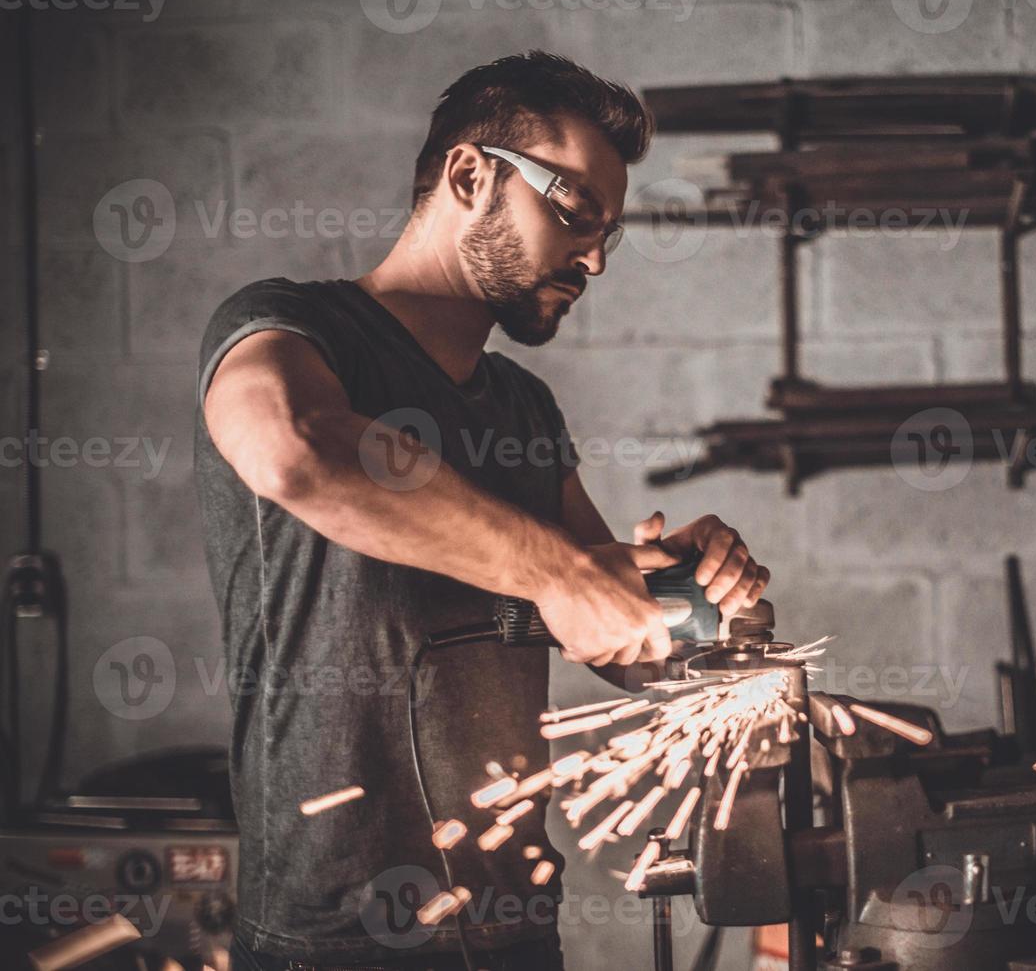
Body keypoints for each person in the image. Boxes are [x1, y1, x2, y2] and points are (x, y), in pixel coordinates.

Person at [195, 51, 768, 970]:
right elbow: (295, 451)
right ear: (470, 175)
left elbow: (623, 644)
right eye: (574, 211)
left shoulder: (524, 408)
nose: (592, 259)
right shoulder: (294, 331)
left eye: (607, 234)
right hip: (337, 940)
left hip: (510, 930)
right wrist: (561, 572)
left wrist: (693, 596)